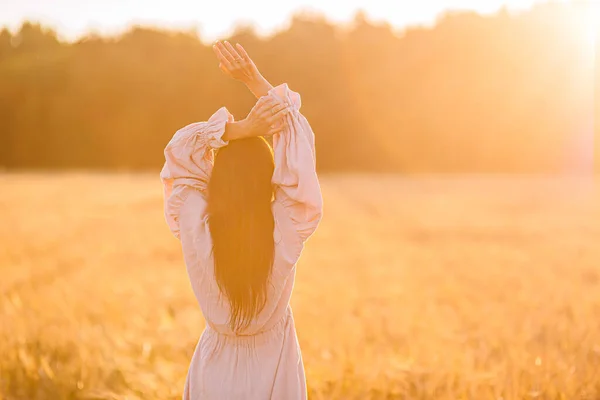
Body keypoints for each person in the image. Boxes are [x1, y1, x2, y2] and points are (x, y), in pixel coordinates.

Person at [160, 40, 323, 399]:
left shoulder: (194, 219)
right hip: (275, 371)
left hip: (212, 371)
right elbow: (300, 143)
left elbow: (178, 150)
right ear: (269, 177)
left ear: (215, 178)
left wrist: (240, 130)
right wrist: (254, 80)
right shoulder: (286, 224)